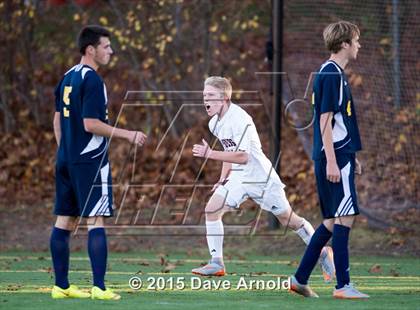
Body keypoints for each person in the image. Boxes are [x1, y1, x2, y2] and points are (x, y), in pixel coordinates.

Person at [191, 76, 335, 281]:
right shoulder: (215, 123)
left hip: (261, 177)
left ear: (224, 98)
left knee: (289, 220)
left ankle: (321, 252)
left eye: (211, 96)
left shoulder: (240, 119)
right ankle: (217, 263)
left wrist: (209, 154)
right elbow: (229, 151)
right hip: (239, 177)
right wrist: (223, 179)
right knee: (212, 209)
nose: (206, 100)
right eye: (204, 95)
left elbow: (243, 156)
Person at [50, 25, 147, 300]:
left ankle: (61, 286)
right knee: (96, 221)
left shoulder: (67, 77)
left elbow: (57, 121)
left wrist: (66, 152)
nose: (110, 51)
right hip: (90, 161)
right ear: (91, 49)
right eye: (106, 46)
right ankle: (99, 288)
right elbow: (91, 124)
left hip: (66, 160)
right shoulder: (92, 80)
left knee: (64, 221)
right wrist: (128, 134)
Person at [289, 21, 369, 299]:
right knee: (345, 218)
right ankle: (343, 286)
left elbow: (339, 123)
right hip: (333, 158)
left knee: (332, 222)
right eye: (356, 40)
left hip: (339, 155)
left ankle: (299, 279)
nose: (359, 45)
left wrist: (350, 155)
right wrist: (334, 161)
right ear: (345, 43)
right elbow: (324, 120)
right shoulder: (332, 74)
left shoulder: (333, 73)